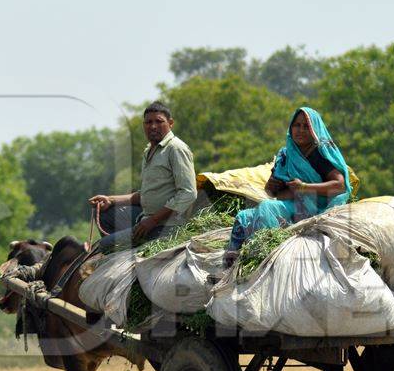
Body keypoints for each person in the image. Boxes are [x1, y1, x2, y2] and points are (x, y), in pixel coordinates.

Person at [224, 107, 352, 266]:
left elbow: (339, 185)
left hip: (316, 209)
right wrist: (271, 186)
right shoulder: (285, 155)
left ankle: (264, 257)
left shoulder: (319, 154)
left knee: (266, 207)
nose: (301, 130)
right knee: (243, 217)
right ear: (291, 127)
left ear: (314, 130)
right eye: (297, 125)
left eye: (306, 126)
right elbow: (272, 192)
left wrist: (304, 187)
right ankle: (230, 265)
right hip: (291, 206)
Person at [89, 101, 198, 251]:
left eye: (159, 121)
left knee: (103, 246)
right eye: (148, 122)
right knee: (104, 212)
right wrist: (111, 200)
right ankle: (131, 248)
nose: (153, 126)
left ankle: (127, 251)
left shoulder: (176, 148)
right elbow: (146, 195)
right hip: (145, 217)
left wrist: (153, 221)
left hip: (166, 225)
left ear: (170, 123)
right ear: (144, 125)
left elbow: (188, 193)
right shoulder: (149, 151)